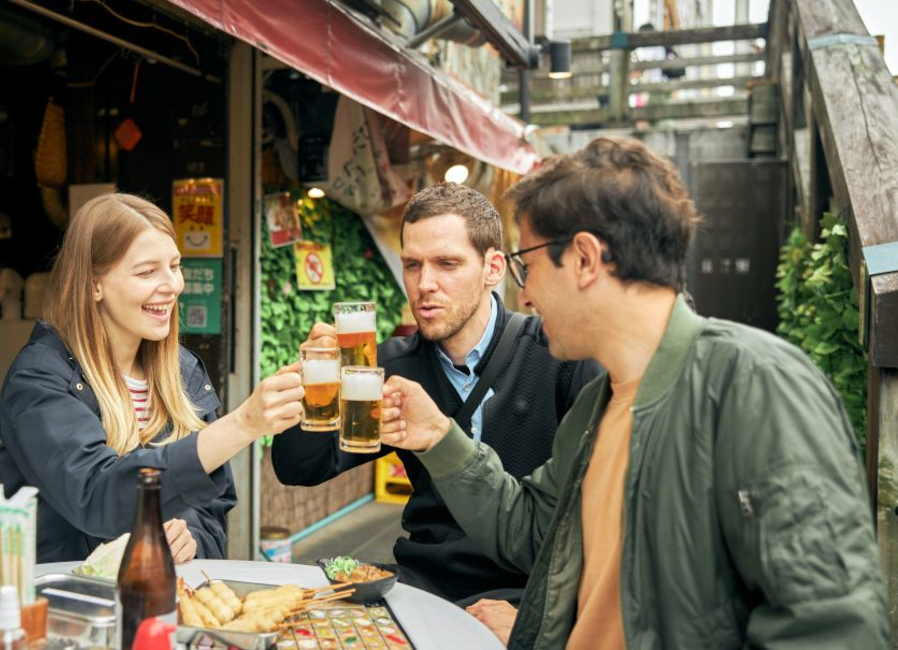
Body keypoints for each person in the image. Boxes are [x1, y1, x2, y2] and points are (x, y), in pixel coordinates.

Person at [379, 137, 890, 648]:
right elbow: (534, 532)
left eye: (527, 267)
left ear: (584, 259)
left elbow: (830, 628)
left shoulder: (755, 382)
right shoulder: (597, 405)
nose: (526, 294)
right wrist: (441, 437)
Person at [272, 183, 601, 612]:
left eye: (447, 263)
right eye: (412, 264)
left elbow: (596, 527)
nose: (425, 283)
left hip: (529, 591)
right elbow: (298, 467)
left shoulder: (559, 356)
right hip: (421, 588)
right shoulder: (390, 368)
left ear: (493, 267)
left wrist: (533, 620)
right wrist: (320, 390)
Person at [0, 193, 304, 564]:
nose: (172, 285)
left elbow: (214, 504)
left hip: (166, 606)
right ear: (94, 284)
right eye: (146, 272)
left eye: (175, 266)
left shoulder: (183, 371)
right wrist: (242, 424)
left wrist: (191, 536)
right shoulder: (41, 378)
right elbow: (97, 497)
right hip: (71, 607)